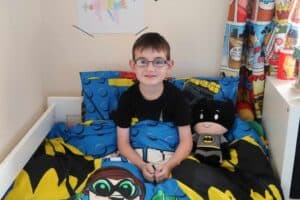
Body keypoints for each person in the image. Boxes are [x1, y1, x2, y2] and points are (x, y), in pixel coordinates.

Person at [113, 32, 192, 183]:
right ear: (133, 65)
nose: (150, 69)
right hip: (138, 158)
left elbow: (186, 140)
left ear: (169, 65)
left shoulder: (177, 97)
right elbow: (123, 143)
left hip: (169, 156)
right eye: (142, 61)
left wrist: (169, 166)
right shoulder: (127, 98)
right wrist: (142, 165)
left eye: (158, 62)